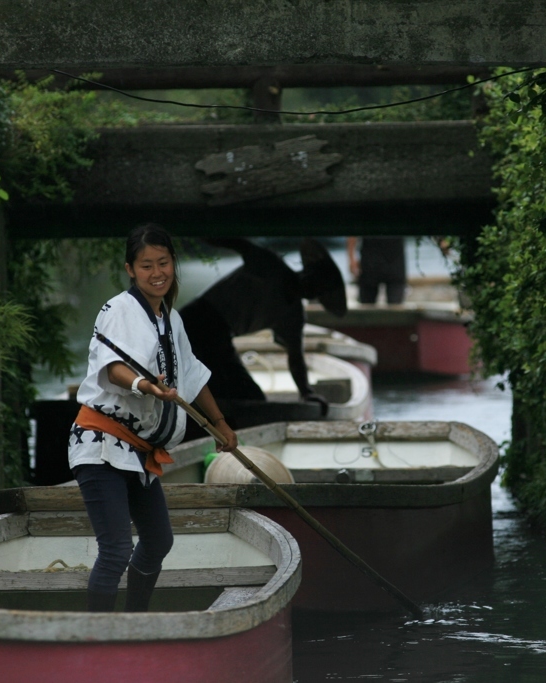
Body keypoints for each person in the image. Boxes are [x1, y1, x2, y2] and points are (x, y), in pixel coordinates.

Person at [67, 223, 238, 613]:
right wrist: (146, 386)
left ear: (173, 264)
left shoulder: (170, 319)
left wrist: (220, 424)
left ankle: (135, 620)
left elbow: (192, 375)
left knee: (159, 540)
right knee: (116, 550)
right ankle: (99, 639)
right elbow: (113, 370)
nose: (157, 272)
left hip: (139, 452)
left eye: (163, 263)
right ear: (130, 269)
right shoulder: (117, 310)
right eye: (147, 266)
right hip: (102, 446)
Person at [178, 237, 346, 413]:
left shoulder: (293, 316)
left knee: (249, 397)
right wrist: (197, 234)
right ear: (306, 271)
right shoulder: (270, 264)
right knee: (243, 395)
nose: (313, 285)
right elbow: (238, 243)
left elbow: (296, 357)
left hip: (219, 335)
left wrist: (306, 392)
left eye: (320, 288)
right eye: (314, 278)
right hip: (197, 319)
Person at [347, 236, 407, 304]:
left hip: (395, 260)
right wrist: (351, 258)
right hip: (369, 260)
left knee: (396, 304)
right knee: (366, 305)